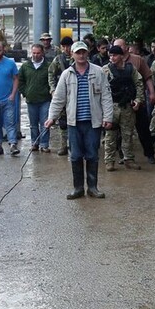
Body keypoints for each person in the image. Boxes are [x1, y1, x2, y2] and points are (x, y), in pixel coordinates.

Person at [45, 41, 113, 199]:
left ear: (87, 53)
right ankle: (78, 188)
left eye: (83, 52)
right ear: (72, 54)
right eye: (78, 52)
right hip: (74, 123)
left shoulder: (98, 72)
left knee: (92, 155)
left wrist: (108, 117)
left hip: (93, 122)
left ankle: (93, 187)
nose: (81, 55)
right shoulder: (66, 74)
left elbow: (106, 96)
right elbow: (58, 99)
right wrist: (51, 118)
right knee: (75, 156)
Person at [112, 38, 155, 164]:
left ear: (126, 47)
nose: (117, 50)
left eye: (120, 47)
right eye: (115, 47)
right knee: (120, 132)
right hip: (120, 103)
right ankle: (124, 156)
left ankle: (149, 154)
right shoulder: (111, 62)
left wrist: (152, 92)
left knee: (143, 128)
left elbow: (147, 77)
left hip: (137, 100)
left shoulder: (137, 60)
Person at [101, 45, 144, 171]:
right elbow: (100, 88)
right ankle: (109, 160)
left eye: (114, 55)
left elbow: (139, 84)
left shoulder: (131, 69)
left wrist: (138, 100)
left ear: (121, 56)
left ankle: (128, 159)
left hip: (127, 107)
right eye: (110, 55)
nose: (112, 58)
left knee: (128, 134)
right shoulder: (105, 70)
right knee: (110, 135)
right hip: (111, 107)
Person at [18, 43, 51, 151]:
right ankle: (34, 143)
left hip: (45, 100)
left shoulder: (48, 66)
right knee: (33, 124)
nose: (36, 55)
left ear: (42, 53)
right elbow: (20, 81)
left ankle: (44, 144)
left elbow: (52, 81)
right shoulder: (25, 66)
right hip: (31, 100)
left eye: (38, 53)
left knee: (45, 123)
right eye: (34, 53)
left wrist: (49, 93)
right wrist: (25, 92)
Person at [48, 35, 74, 155]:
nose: (66, 49)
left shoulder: (77, 59)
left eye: (68, 46)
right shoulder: (58, 60)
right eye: (64, 46)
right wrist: (53, 90)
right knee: (62, 122)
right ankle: (63, 145)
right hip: (62, 93)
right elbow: (51, 75)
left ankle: (74, 145)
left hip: (75, 95)